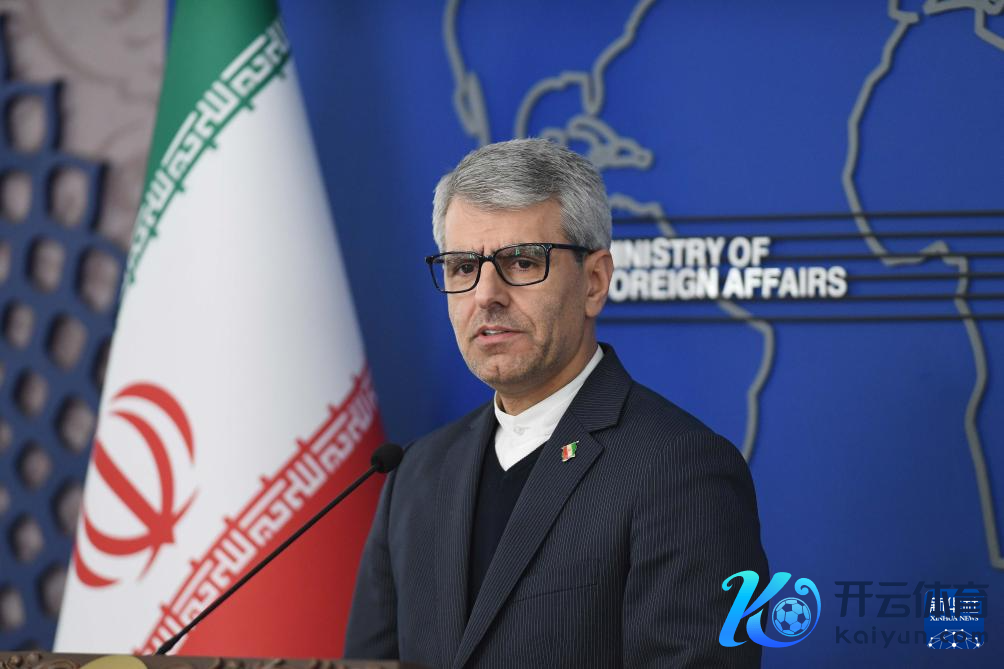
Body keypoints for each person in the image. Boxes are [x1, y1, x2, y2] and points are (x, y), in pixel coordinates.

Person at [344, 138, 769, 668]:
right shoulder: (415, 473)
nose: (486, 295)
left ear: (594, 282)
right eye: (463, 267)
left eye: (522, 262)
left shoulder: (679, 470)